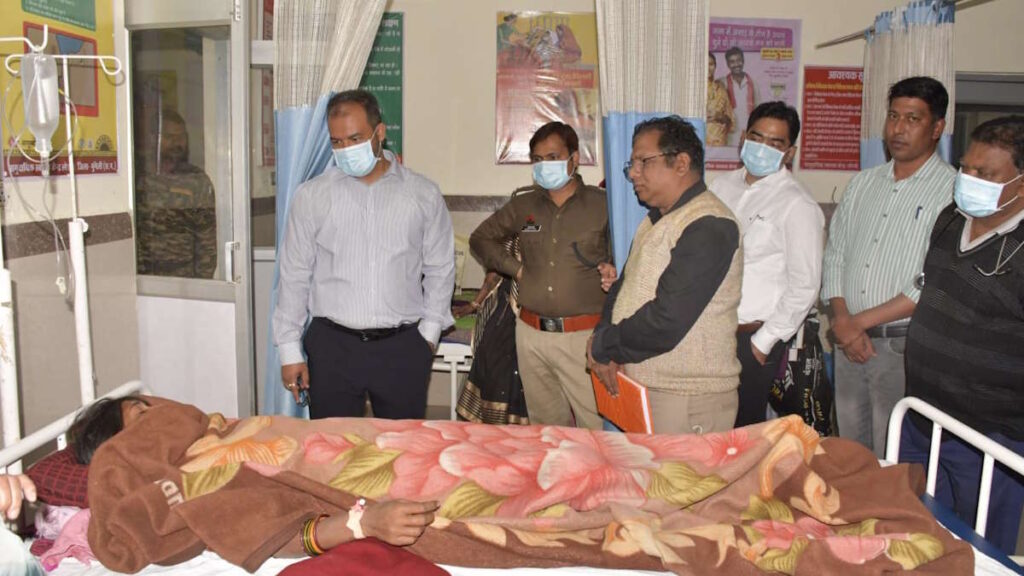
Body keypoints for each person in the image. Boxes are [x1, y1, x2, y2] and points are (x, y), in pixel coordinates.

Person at [273, 89, 455, 420]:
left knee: (401, 445)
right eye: (337, 142)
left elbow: (440, 267)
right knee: (334, 444)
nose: (346, 150)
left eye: (355, 139)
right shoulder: (312, 196)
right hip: (332, 347)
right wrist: (289, 350)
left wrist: (428, 336)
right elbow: (295, 274)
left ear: (379, 132)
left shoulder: (422, 194)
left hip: (402, 347)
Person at [900, 116, 1024, 555]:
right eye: (965, 168)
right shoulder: (951, 218)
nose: (969, 180)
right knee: (915, 538)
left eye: (986, 174)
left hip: (988, 439)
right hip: (921, 418)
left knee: (977, 551)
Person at [821, 76, 955, 457]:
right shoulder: (863, 184)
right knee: (851, 454)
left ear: (937, 127)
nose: (898, 128)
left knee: (894, 457)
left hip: (902, 347)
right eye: (893, 116)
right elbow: (836, 254)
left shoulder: (951, 191)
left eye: (913, 119)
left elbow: (932, 280)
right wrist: (844, 321)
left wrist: (856, 324)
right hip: (848, 342)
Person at [587, 116, 742, 435]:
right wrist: (604, 342)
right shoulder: (655, 219)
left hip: (688, 401)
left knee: (679, 471)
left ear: (681, 163)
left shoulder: (709, 224)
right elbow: (622, 289)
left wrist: (604, 345)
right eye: (631, 164)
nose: (633, 173)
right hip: (648, 390)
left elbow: (667, 320)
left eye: (643, 162)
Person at [470, 122, 613, 429]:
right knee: (545, 430)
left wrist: (612, 269)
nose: (544, 165)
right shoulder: (524, 206)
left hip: (582, 338)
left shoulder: (603, 206)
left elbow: (625, 257)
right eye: (537, 159)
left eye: (552, 157)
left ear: (574, 159)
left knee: (596, 429)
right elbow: (480, 239)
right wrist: (516, 269)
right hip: (531, 335)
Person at [711, 102, 825, 426]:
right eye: (756, 138)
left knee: (743, 432)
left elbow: (805, 285)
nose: (762, 148)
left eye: (775, 143)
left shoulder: (797, 204)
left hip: (753, 337)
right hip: (712, 331)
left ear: (789, 152)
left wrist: (764, 343)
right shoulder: (720, 187)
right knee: (710, 427)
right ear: (743, 138)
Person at [135, 108, 217, 278]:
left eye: (181, 137)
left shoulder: (196, 180)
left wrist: (203, 283)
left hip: (183, 280)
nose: (177, 143)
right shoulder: (136, 176)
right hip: (143, 279)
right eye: (170, 137)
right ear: (154, 139)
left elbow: (206, 240)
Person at [718, 47, 758, 147]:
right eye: (732, 62)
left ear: (743, 61)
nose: (736, 64)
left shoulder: (752, 82)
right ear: (728, 64)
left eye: (739, 60)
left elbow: (758, 108)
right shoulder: (721, 83)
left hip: (749, 134)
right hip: (729, 135)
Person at [706, 52, 735, 147]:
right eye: (705, 64)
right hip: (698, 141)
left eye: (711, 64)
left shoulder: (721, 89)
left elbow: (730, 121)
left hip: (718, 143)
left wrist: (720, 116)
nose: (708, 68)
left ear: (715, 66)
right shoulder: (692, 89)